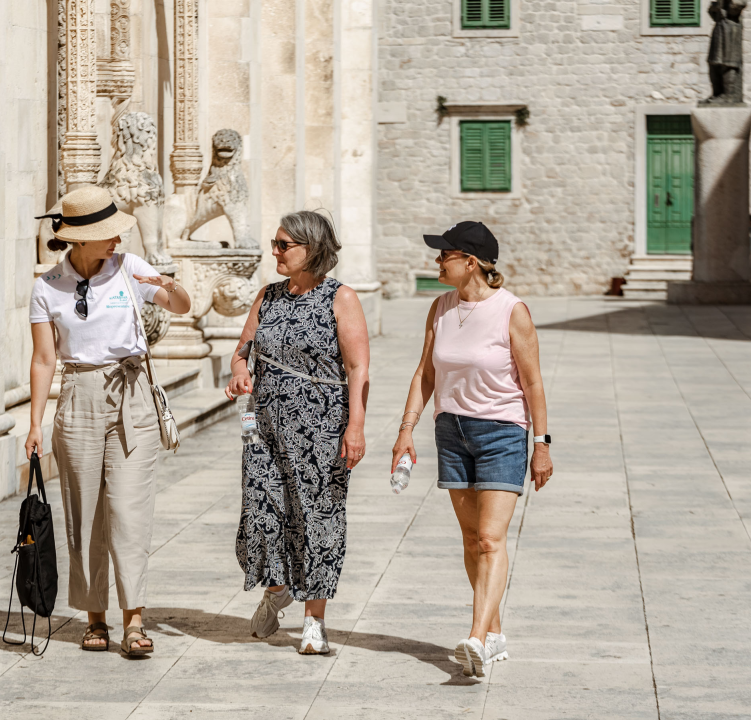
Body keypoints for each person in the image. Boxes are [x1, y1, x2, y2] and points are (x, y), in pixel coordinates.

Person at [25, 185, 192, 655]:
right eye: (106, 235)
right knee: (85, 512)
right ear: (78, 241)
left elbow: (181, 307)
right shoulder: (47, 288)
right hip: (78, 394)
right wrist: (35, 424)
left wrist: (168, 286)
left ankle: (134, 620)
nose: (116, 241)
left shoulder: (130, 268)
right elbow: (42, 360)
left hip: (131, 392)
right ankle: (95, 618)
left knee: (129, 509)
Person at [391, 221, 552, 678]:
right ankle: (493, 631)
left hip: (502, 432)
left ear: (471, 261)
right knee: (469, 539)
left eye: (445, 254)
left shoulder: (511, 311)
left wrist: (541, 444)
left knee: (489, 539)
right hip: (452, 432)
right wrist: (407, 431)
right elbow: (425, 374)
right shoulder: (441, 307)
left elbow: (534, 382)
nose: (437, 261)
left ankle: (477, 637)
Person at [224, 210, 370, 655]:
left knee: (316, 519)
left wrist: (356, 426)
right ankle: (277, 589)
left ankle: (315, 620)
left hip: (322, 429)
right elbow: (243, 348)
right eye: (275, 243)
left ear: (312, 248)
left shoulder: (340, 298)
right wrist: (239, 371)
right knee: (264, 513)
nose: (275, 252)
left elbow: (359, 366)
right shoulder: (268, 296)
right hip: (264, 425)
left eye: (284, 245)